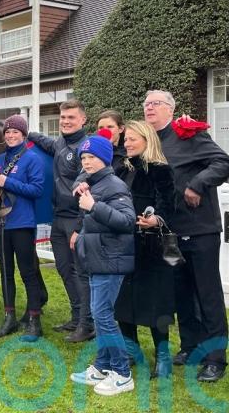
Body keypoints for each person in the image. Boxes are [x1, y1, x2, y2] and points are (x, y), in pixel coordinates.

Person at [144, 89, 229, 382]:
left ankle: (215, 358)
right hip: (170, 232)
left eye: (156, 103)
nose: (149, 108)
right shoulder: (148, 142)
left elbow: (223, 162)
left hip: (200, 229)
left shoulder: (188, 134)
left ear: (171, 109)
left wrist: (197, 184)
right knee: (180, 292)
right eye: (146, 104)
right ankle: (190, 346)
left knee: (208, 294)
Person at [70, 134, 136, 396]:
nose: (86, 162)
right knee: (99, 315)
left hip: (110, 260)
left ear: (105, 159)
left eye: (92, 157)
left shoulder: (114, 186)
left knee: (103, 316)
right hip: (98, 259)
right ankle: (102, 366)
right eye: (84, 158)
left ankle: (122, 373)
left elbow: (127, 221)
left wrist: (93, 206)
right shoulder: (94, 183)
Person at [0, 115, 45, 339]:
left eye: (16, 132)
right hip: (1, 224)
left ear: (23, 135)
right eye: (8, 132)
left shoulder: (32, 159)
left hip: (22, 223)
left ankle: (34, 320)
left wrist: (9, 182)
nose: (11, 135)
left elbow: (37, 190)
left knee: (28, 272)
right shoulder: (0, 159)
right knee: (6, 273)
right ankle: (9, 316)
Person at [113, 120, 176, 379]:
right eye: (126, 139)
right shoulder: (122, 169)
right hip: (123, 244)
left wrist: (156, 220)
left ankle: (163, 356)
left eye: (132, 139)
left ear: (147, 140)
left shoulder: (160, 170)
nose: (127, 143)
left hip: (151, 247)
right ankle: (131, 351)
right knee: (122, 301)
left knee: (155, 303)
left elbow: (169, 206)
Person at [28, 99, 93, 342]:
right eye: (63, 117)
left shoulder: (86, 149)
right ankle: (76, 318)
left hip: (77, 219)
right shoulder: (60, 143)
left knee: (80, 273)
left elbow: (87, 188)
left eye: (71, 118)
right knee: (65, 270)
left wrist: (79, 226)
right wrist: (27, 133)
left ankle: (87, 324)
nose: (65, 122)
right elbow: (45, 141)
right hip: (59, 217)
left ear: (83, 120)